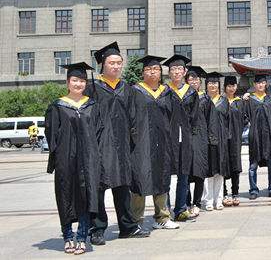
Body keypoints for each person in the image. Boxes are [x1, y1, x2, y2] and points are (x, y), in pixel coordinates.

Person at [86, 42, 148, 244]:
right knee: (98, 188)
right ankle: (97, 229)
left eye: (119, 63)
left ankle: (127, 227)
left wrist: (134, 142)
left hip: (122, 146)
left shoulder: (126, 89)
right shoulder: (92, 88)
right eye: (111, 63)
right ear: (102, 65)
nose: (116, 66)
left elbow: (134, 117)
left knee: (123, 188)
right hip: (100, 146)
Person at [45, 62, 102, 255]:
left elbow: (100, 132)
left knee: (86, 197)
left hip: (88, 159)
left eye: (82, 81)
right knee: (65, 196)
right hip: (65, 159)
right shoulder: (57, 106)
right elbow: (51, 134)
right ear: (68, 82)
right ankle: (68, 236)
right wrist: (57, 157)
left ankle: (82, 237)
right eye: (75, 80)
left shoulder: (92, 105)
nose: (79, 84)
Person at [128, 55, 179, 230]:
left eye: (155, 69)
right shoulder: (135, 91)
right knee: (139, 179)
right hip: (141, 143)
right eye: (148, 69)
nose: (152, 72)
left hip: (163, 142)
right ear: (143, 72)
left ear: (160, 72)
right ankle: (136, 220)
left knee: (162, 178)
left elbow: (173, 117)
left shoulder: (167, 92)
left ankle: (162, 218)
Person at [163, 54, 198, 222]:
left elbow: (194, 117)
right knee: (166, 176)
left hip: (185, 138)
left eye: (179, 69)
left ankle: (181, 209)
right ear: (169, 72)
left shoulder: (191, 92)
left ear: (184, 72)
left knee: (183, 175)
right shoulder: (164, 91)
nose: (176, 72)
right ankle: (166, 210)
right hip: (167, 139)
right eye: (173, 69)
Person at [244, 74, 271, 199]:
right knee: (253, 165)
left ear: (266, 84)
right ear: (254, 85)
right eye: (258, 83)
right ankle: (253, 190)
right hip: (255, 136)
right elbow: (244, 116)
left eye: (262, 82)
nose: (260, 85)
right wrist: (243, 99)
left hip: (269, 136)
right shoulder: (250, 100)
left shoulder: (270, 100)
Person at [201, 73, 229, 211]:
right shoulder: (202, 100)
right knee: (209, 172)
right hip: (206, 140)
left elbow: (228, 120)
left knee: (220, 172)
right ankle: (208, 200)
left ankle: (219, 200)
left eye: (215, 83)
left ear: (219, 85)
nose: (213, 85)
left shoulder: (224, 101)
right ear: (206, 85)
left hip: (221, 140)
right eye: (210, 83)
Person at [184, 65, 209, 217]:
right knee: (185, 173)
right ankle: (186, 203)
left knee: (199, 172)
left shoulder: (205, 99)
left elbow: (211, 121)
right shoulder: (183, 97)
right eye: (190, 79)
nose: (193, 81)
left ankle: (197, 203)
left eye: (196, 79)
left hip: (201, 138)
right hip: (186, 139)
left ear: (200, 81)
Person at [223, 76, 244, 206]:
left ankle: (235, 192)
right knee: (223, 164)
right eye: (229, 86)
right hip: (223, 139)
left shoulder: (240, 102)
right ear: (225, 87)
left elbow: (245, 118)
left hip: (236, 138)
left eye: (233, 86)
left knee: (235, 165)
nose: (231, 88)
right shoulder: (221, 101)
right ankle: (224, 193)